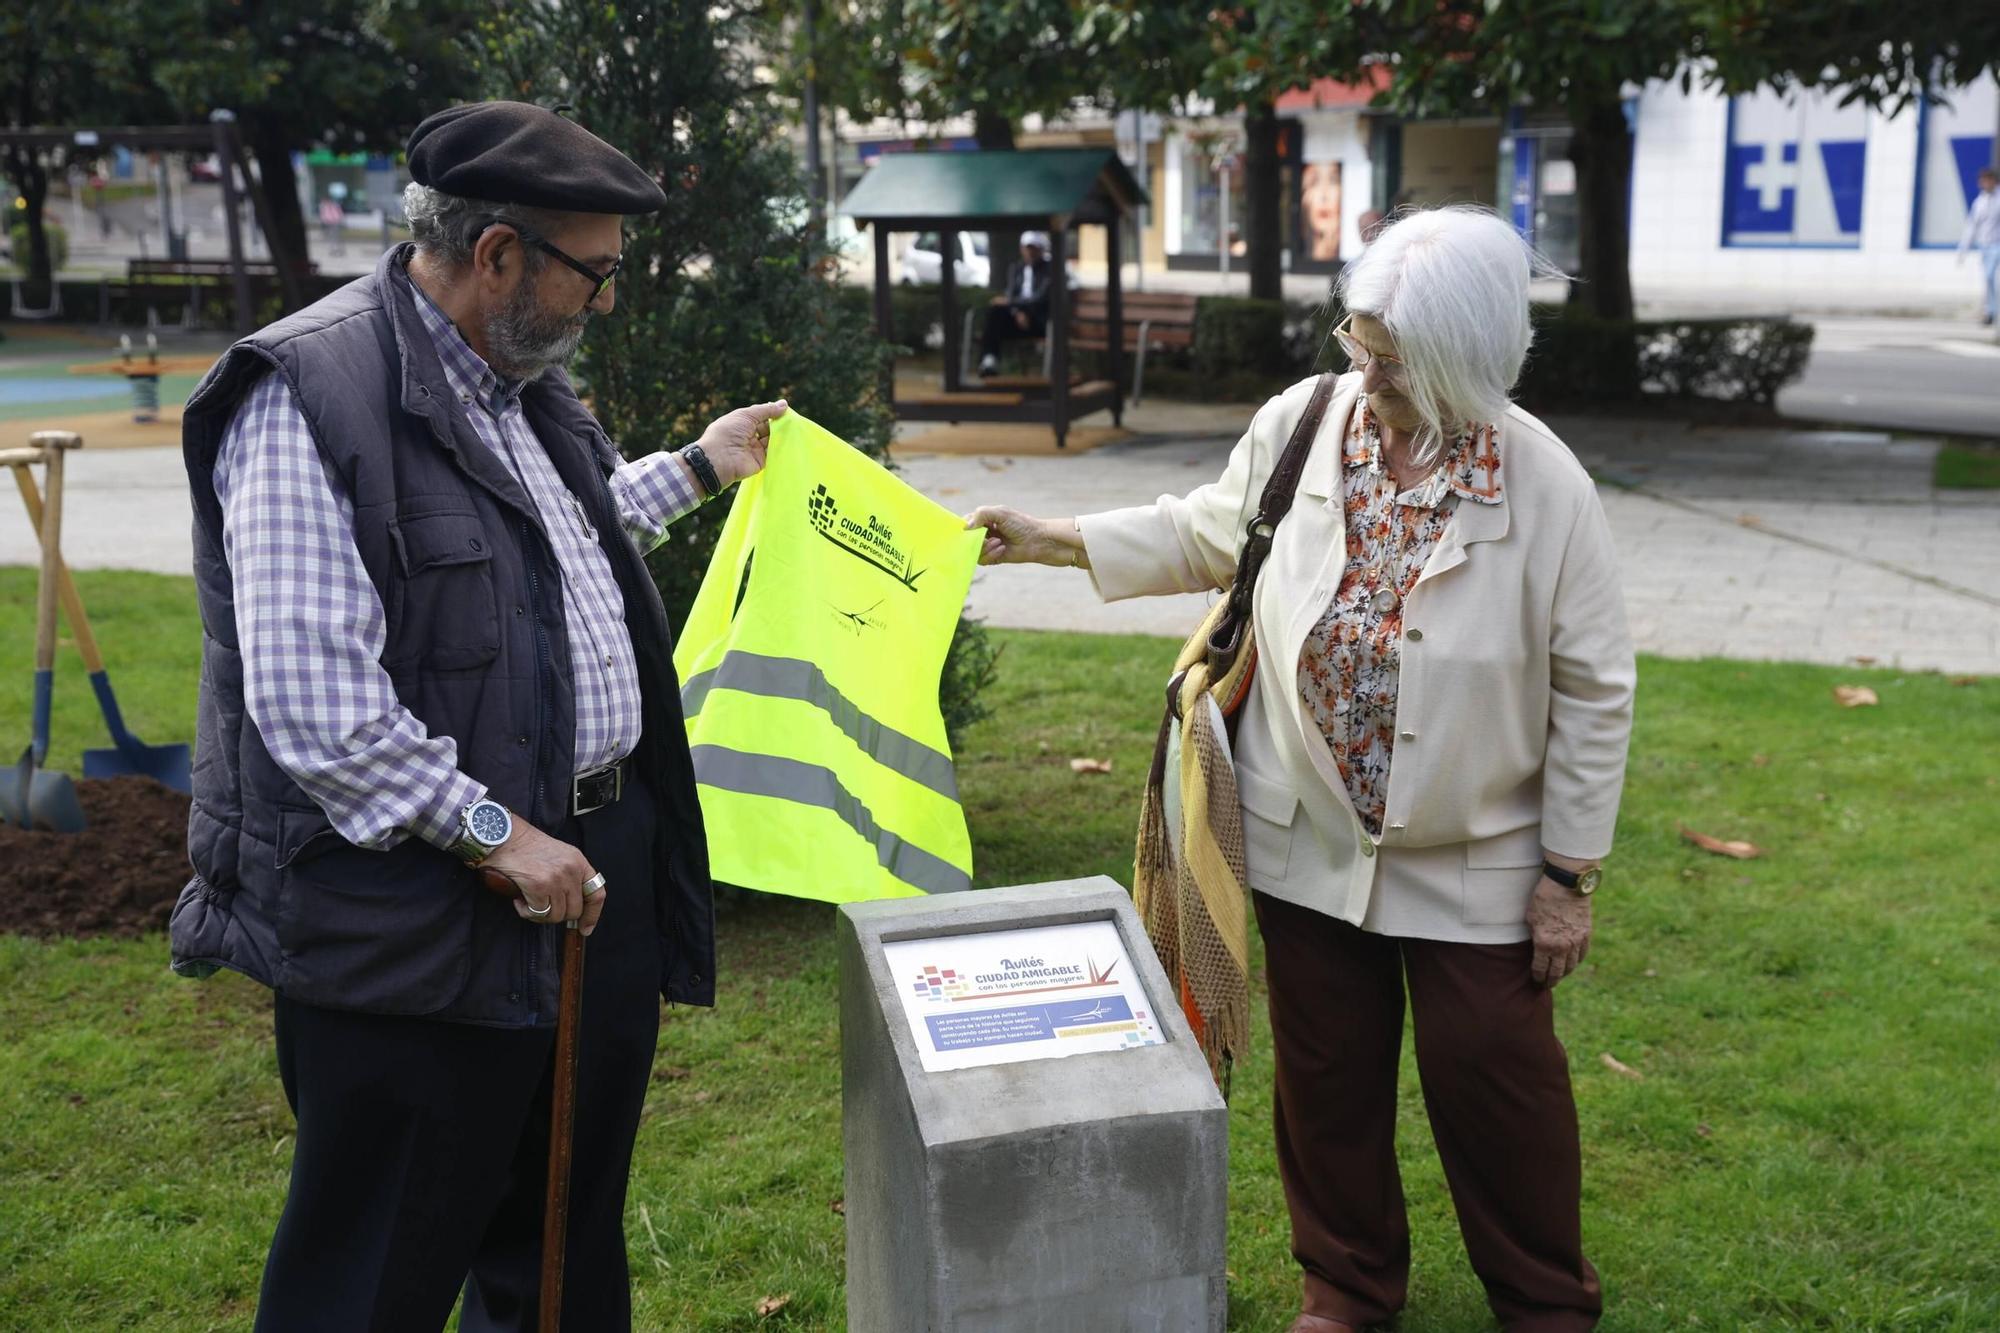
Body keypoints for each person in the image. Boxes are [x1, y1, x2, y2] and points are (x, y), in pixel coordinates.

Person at [169, 100, 786, 1332]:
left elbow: (546, 555)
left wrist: (703, 465)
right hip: (422, 910)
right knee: (378, 1267)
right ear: (499, 253)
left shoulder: (515, 385)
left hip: (581, 880)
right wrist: (497, 833)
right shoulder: (309, 394)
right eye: (594, 272)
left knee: (556, 1242)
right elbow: (317, 705)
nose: (605, 301)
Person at [967, 206, 1634, 1333]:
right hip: (1304, 830)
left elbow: (1594, 685)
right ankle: (1347, 1288)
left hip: (1474, 851)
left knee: (1497, 1082)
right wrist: (1054, 537)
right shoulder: (1304, 421)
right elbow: (1211, 532)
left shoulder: (1545, 483)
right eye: (1358, 347)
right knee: (1325, 1080)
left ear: (1464, 357)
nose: (1364, 373)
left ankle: (1540, 1300)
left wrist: (1566, 874)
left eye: (1390, 359)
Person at [977, 230, 1052, 376]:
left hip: (1038, 322)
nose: (1030, 252)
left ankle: (990, 359)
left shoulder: (1049, 270)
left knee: (1000, 308)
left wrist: (1018, 307)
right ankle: (990, 360)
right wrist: (1017, 312)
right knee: (996, 312)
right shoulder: (1016, 269)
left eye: (1034, 248)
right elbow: (1010, 293)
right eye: (1027, 248)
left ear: (1042, 249)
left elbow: (1040, 298)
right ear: (1021, 249)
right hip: (1017, 319)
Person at [1958, 168, 2000, 326]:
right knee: (1988, 279)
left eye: (1987, 180)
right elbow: (1972, 226)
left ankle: (1992, 311)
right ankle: (1990, 311)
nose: (1984, 184)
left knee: (1993, 277)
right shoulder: (1980, 202)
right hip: (1985, 246)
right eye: (1983, 181)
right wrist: (1963, 249)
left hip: (1998, 245)